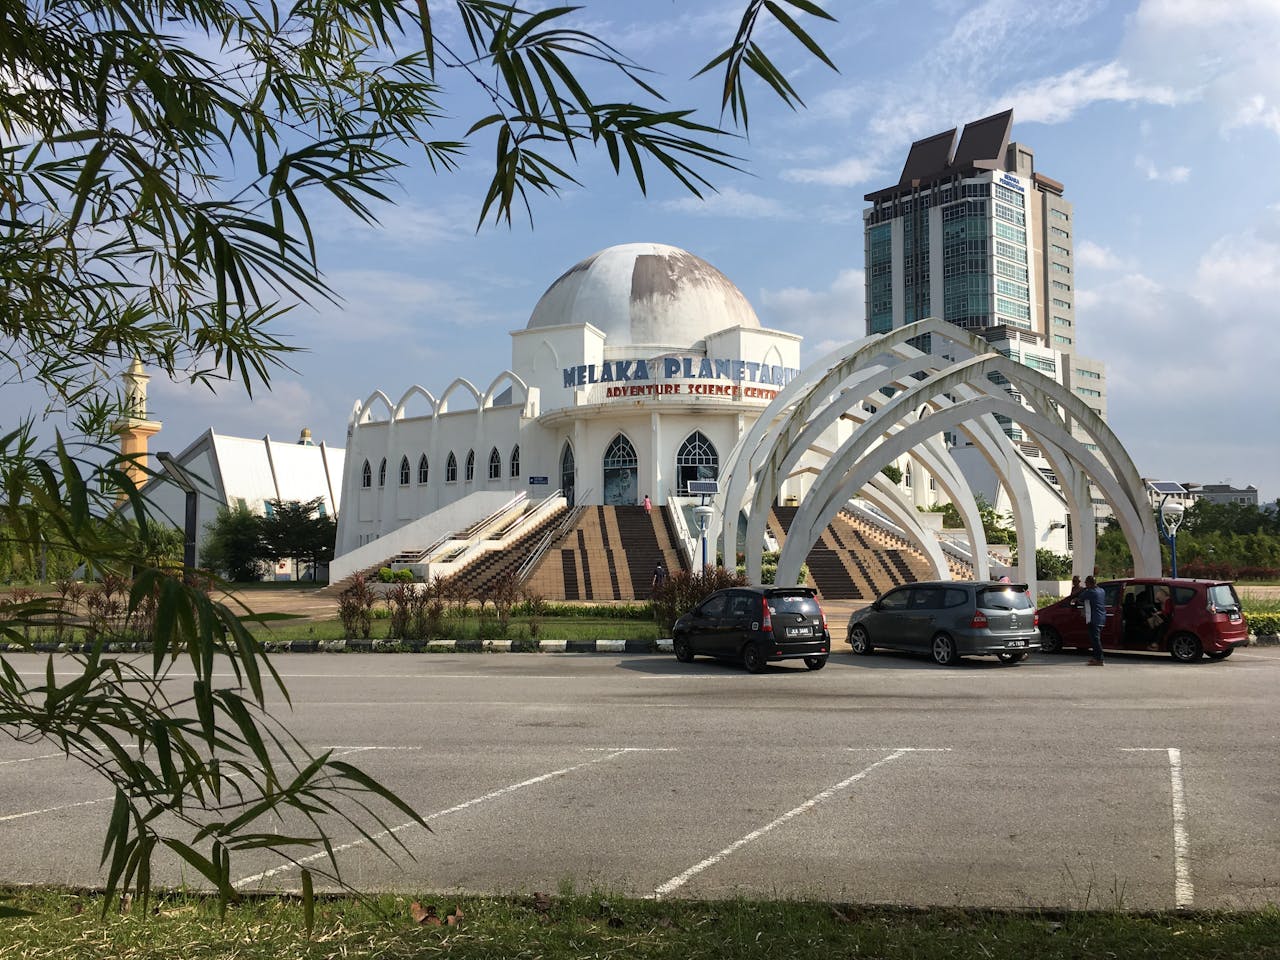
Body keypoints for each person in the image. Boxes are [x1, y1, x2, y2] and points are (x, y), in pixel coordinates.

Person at [1081, 575, 1107, 665]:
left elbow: (1081, 597)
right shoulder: (1102, 590)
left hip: (1094, 618)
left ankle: (1100, 659)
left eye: (1086, 583)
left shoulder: (1090, 592)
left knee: (1095, 640)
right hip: (1101, 617)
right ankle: (1096, 657)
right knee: (1095, 639)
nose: (1085, 585)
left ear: (1089, 583)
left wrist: (1084, 590)